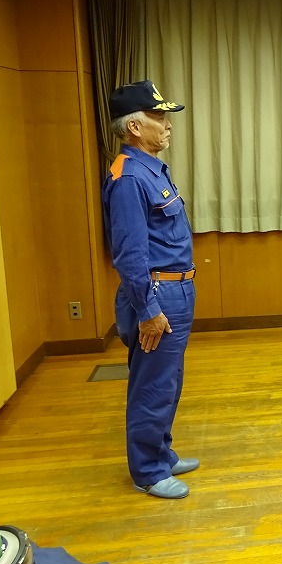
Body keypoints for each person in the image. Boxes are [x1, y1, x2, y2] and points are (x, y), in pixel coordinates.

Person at [101, 80, 199, 500]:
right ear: (135, 127)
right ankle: (148, 471)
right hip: (156, 294)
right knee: (152, 386)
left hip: (176, 289)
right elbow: (129, 254)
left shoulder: (150, 168)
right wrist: (148, 310)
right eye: (159, 117)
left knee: (168, 380)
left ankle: (161, 452)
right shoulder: (128, 178)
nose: (168, 124)